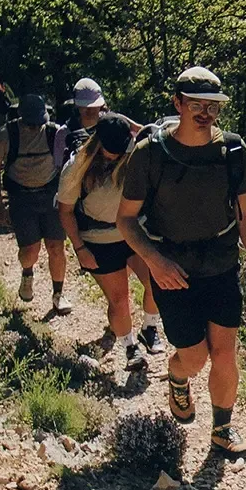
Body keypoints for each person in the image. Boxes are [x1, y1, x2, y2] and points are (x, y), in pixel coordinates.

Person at [118, 66, 246, 457]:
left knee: (224, 353)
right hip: (172, 268)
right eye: (196, 105)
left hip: (220, 263)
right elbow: (125, 219)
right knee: (195, 357)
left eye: (213, 106)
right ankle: (178, 374)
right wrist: (154, 262)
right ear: (178, 104)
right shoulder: (151, 154)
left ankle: (222, 429)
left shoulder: (232, 151)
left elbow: (244, 212)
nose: (205, 113)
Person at [56, 77, 159, 355]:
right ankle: (129, 347)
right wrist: (79, 249)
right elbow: (64, 210)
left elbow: (157, 134)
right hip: (98, 239)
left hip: (132, 232)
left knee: (156, 282)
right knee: (120, 298)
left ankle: (150, 329)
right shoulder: (77, 167)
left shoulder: (134, 156)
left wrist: (129, 125)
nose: (115, 158)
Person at [0, 93, 71, 312]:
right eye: (31, 123)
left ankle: (58, 294)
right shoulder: (5, 135)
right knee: (30, 251)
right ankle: (27, 272)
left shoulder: (56, 133)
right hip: (21, 198)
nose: (35, 127)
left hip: (51, 195)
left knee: (56, 247)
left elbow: (67, 167)